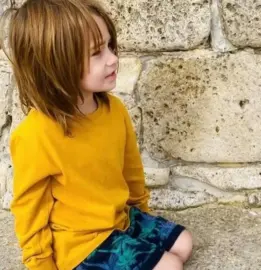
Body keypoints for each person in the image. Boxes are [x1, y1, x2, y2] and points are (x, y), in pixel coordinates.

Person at [0, 0, 193, 269]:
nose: (113, 58)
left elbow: (131, 169)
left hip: (120, 218)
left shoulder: (114, 110)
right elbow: (30, 209)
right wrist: (40, 263)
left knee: (184, 243)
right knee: (171, 266)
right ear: (55, 63)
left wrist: (140, 213)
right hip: (82, 243)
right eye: (96, 53)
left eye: (110, 46)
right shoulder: (35, 135)